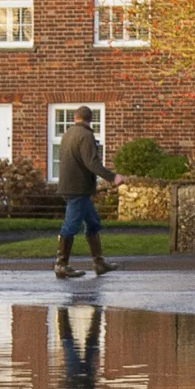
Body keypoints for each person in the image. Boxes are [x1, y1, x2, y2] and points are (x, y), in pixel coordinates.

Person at [54, 105, 119, 280]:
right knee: (71, 225)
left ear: (75, 118)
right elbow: (92, 163)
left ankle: (99, 262)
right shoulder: (86, 135)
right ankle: (61, 264)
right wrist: (113, 178)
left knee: (93, 222)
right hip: (78, 188)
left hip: (69, 185)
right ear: (90, 120)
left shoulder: (67, 134)